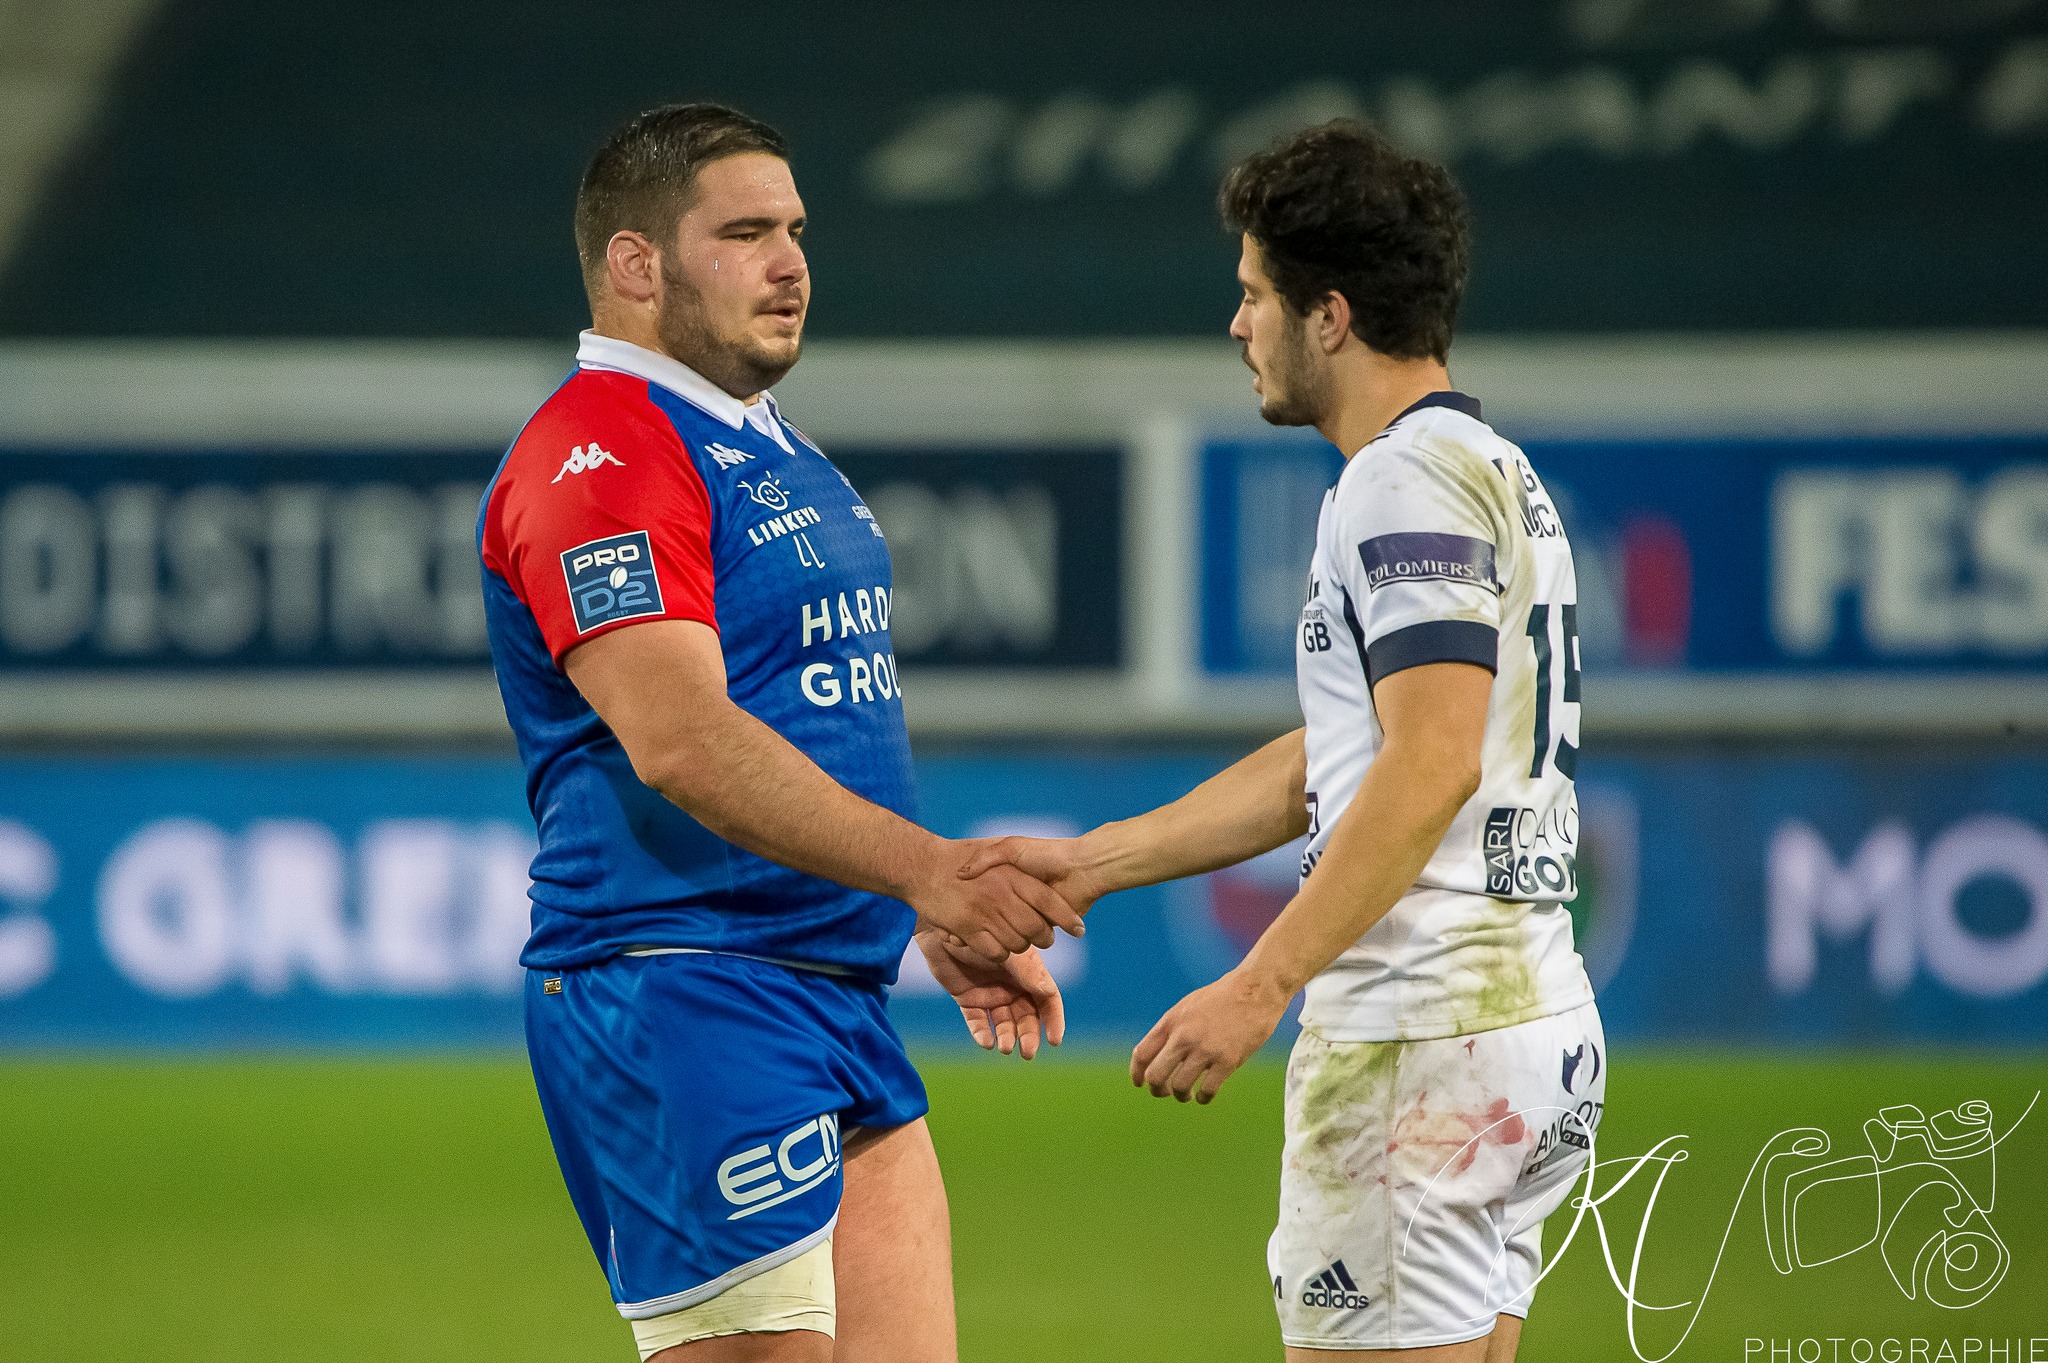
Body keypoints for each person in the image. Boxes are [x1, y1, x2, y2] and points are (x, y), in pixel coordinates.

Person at [962, 120, 1605, 1360]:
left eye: (1254, 293)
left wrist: (1257, 984)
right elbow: (1339, 755)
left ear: (1330, 315)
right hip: (1525, 1024)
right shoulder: (1487, 467)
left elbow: (1429, 761)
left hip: (1417, 1038)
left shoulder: (1398, 483)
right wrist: (1093, 861)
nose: (1235, 323)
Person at [477, 102, 1079, 1363]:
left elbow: (816, 715)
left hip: (833, 988)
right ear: (636, 264)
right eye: (744, 232)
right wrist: (933, 871)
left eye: (794, 228)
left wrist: (915, 905)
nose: (790, 260)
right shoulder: (601, 450)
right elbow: (682, 738)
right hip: (683, 986)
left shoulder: (764, 445)